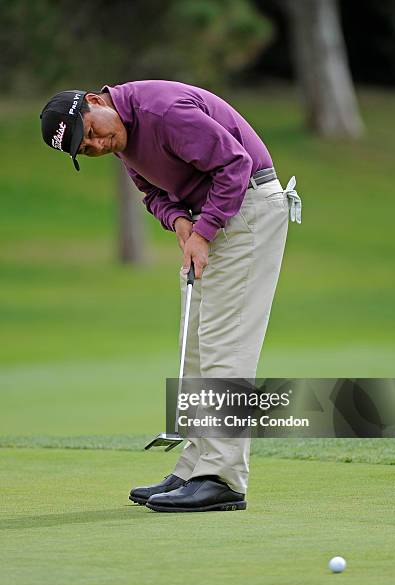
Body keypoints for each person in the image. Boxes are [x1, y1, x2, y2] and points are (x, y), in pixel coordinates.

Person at [40, 81, 301, 513]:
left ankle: (222, 478)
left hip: (248, 210)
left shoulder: (162, 113)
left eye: (88, 132)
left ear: (94, 102)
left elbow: (233, 164)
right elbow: (154, 193)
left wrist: (203, 229)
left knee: (225, 347)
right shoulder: (124, 141)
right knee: (196, 347)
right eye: (84, 149)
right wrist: (180, 222)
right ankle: (195, 466)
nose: (96, 144)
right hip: (216, 218)